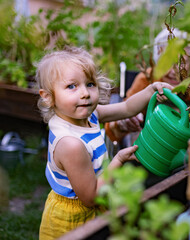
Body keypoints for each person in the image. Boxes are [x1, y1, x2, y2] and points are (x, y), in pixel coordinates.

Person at [36, 46, 173, 239]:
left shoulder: (89, 116)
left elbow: (126, 108)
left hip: (95, 200)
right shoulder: (70, 144)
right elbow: (91, 197)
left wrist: (150, 90)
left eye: (90, 84)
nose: (84, 93)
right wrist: (118, 160)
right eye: (72, 86)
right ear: (49, 97)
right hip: (73, 218)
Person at [105, 28, 190, 148]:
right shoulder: (146, 80)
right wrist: (123, 124)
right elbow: (112, 129)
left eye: (181, 64)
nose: (172, 71)